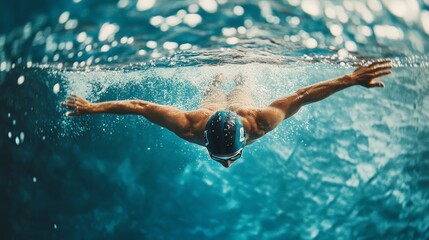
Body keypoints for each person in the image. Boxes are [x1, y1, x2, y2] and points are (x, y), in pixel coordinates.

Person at [61, 60, 392, 168]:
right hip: (220, 105)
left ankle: (235, 64)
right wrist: (91, 108)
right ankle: (227, 68)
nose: (229, 161)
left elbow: (141, 108)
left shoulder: (257, 121)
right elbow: (140, 107)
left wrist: (350, 79)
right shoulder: (194, 124)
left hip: (226, 104)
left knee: (237, 79)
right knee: (220, 84)